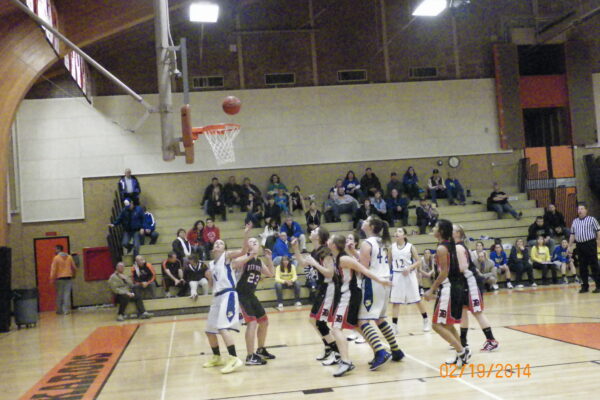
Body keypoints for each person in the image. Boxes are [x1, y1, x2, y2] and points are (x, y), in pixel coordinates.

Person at [327, 234, 393, 377]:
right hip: (346, 294)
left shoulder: (344, 259)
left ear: (334, 245)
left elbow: (364, 270)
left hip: (349, 295)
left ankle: (346, 362)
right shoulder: (336, 257)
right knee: (356, 325)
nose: (328, 240)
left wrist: (380, 280)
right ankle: (380, 351)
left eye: (330, 239)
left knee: (336, 328)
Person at [202, 226, 252, 374]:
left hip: (228, 294)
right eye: (216, 243)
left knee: (222, 327)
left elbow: (243, 251)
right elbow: (212, 285)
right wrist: (209, 278)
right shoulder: (211, 264)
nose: (218, 244)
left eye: (221, 243)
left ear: (224, 248)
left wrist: (246, 234)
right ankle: (217, 357)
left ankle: (234, 358)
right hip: (217, 297)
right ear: (213, 248)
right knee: (209, 330)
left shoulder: (226, 256)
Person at [357, 216, 404, 370]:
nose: (363, 222)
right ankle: (396, 350)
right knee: (380, 318)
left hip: (373, 282)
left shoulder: (366, 243)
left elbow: (363, 268)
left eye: (366, 220)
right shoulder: (382, 242)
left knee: (362, 320)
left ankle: (380, 352)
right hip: (384, 281)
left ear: (370, 226)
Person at [423, 219, 470, 366]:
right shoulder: (448, 245)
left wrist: (431, 289)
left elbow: (444, 272)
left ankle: (461, 352)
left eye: (435, 227)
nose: (433, 228)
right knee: (448, 325)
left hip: (448, 288)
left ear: (441, 231)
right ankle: (463, 350)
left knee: (436, 325)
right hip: (453, 287)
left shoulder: (442, 248)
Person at [292, 227, 340, 366]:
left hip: (329, 288)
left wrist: (314, 264)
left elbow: (330, 273)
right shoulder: (315, 251)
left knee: (320, 322)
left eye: (315, 231)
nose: (312, 231)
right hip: (322, 288)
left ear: (318, 237)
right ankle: (328, 348)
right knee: (313, 320)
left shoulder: (326, 252)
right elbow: (303, 263)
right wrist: (295, 249)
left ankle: (337, 353)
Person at [453, 225, 499, 352]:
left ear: (458, 233)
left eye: (452, 229)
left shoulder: (458, 247)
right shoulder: (456, 246)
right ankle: (463, 342)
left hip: (471, 283)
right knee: (463, 311)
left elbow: (463, 268)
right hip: (464, 283)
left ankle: (492, 340)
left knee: (477, 312)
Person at [233, 237, 276, 365]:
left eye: (256, 241)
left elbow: (270, 274)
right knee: (252, 323)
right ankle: (250, 356)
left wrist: (269, 259)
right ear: (247, 245)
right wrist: (249, 254)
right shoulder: (244, 258)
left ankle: (261, 349)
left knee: (264, 322)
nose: (254, 243)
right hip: (241, 295)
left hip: (251, 295)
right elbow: (235, 263)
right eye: (251, 241)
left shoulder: (259, 261)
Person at [389, 228, 431, 334]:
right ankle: (394, 326)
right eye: (396, 231)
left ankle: (426, 320)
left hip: (409, 275)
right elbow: (389, 262)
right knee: (395, 302)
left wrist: (409, 268)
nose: (397, 233)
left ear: (404, 235)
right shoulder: (391, 247)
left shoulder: (410, 247)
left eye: (400, 231)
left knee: (417, 299)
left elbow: (418, 261)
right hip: (397, 275)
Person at [568, 203, 600, 293]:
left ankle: (598, 286)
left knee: (594, 265)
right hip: (580, 245)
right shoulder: (575, 221)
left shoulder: (592, 219)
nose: (580, 211)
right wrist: (569, 246)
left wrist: (598, 241)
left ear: (586, 210)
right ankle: (585, 286)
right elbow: (572, 235)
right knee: (582, 266)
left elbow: (598, 231)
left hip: (590, 244)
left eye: (582, 209)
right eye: (579, 209)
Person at [49, 245, 77, 315]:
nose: (55, 251)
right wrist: (74, 275)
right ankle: (66, 310)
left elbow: (53, 269)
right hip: (68, 277)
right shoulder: (69, 257)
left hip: (60, 278)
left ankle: (59, 310)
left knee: (59, 294)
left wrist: (52, 278)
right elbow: (74, 267)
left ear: (58, 249)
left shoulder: (56, 258)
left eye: (55, 249)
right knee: (67, 294)